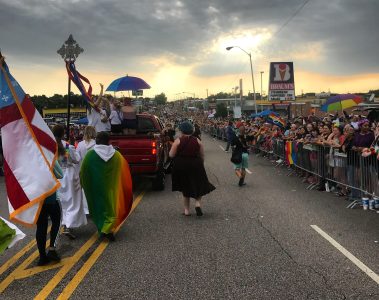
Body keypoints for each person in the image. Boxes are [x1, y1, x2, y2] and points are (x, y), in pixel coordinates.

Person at [80, 132, 133, 241]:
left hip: (96, 188)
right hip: (112, 188)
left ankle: (104, 230)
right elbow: (125, 169)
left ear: (97, 141)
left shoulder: (90, 155)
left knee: (99, 208)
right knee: (111, 209)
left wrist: (84, 184)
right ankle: (107, 230)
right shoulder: (117, 155)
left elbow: (83, 172)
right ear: (108, 141)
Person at [169, 121, 215, 216]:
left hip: (181, 165)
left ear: (181, 131)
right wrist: (200, 163)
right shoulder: (197, 140)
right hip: (195, 164)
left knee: (185, 187)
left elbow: (171, 155)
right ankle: (197, 204)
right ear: (192, 130)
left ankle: (186, 211)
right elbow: (202, 155)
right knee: (198, 184)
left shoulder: (178, 140)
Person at [52, 125, 87, 240]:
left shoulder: (50, 145)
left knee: (62, 201)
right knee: (73, 201)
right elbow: (77, 160)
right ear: (63, 133)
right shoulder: (68, 146)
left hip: (57, 175)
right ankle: (69, 226)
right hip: (69, 175)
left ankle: (63, 222)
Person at [35, 140, 64, 266]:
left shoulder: (31, 158)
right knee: (57, 221)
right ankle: (52, 248)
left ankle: (42, 256)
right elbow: (60, 174)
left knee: (41, 226)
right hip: (52, 197)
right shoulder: (48, 156)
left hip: (38, 198)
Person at [76, 126, 97, 214]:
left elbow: (77, 158)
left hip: (82, 170)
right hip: (94, 171)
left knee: (84, 190)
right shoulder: (96, 144)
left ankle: (85, 208)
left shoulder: (80, 144)